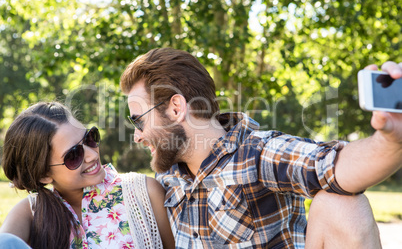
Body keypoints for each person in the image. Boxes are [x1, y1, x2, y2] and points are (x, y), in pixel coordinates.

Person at [120, 47, 402, 248]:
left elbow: (335, 166)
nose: (137, 136)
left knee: (342, 203)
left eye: (139, 121)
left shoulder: (257, 154)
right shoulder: (167, 179)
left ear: (176, 108)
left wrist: (391, 140)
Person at [0, 102, 175, 249]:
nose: (92, 155)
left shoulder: (143, 193)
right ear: (44, 174)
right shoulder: (31, 212)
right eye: (74, 154)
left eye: (90, 138)